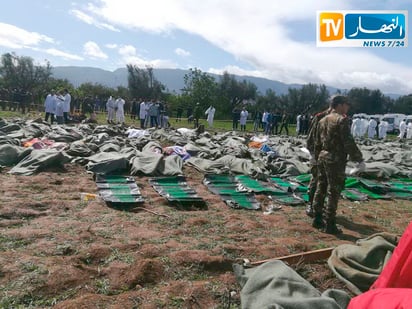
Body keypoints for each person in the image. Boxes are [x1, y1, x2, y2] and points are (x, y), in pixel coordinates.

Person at [312, 95, 364, 234]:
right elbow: (348, 142)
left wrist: (316, 158)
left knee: (321, 187)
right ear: (339, 105)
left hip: (322, 156)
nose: (348, 107)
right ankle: (330, 224)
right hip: (335, 159)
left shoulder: (322, 120)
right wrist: (358, 159)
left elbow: (317, 142)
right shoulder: (341, 120)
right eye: (346, 105)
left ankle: (317, 218)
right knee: (334, 191)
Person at [305, 107, 331, 218]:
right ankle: (310, 204)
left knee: (325, 182)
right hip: (317, 154)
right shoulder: (320, 117)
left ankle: (319, 204)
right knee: (316, 179)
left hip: (329, 155)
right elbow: (311, 138)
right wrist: (314, 155)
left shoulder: (339, 119)